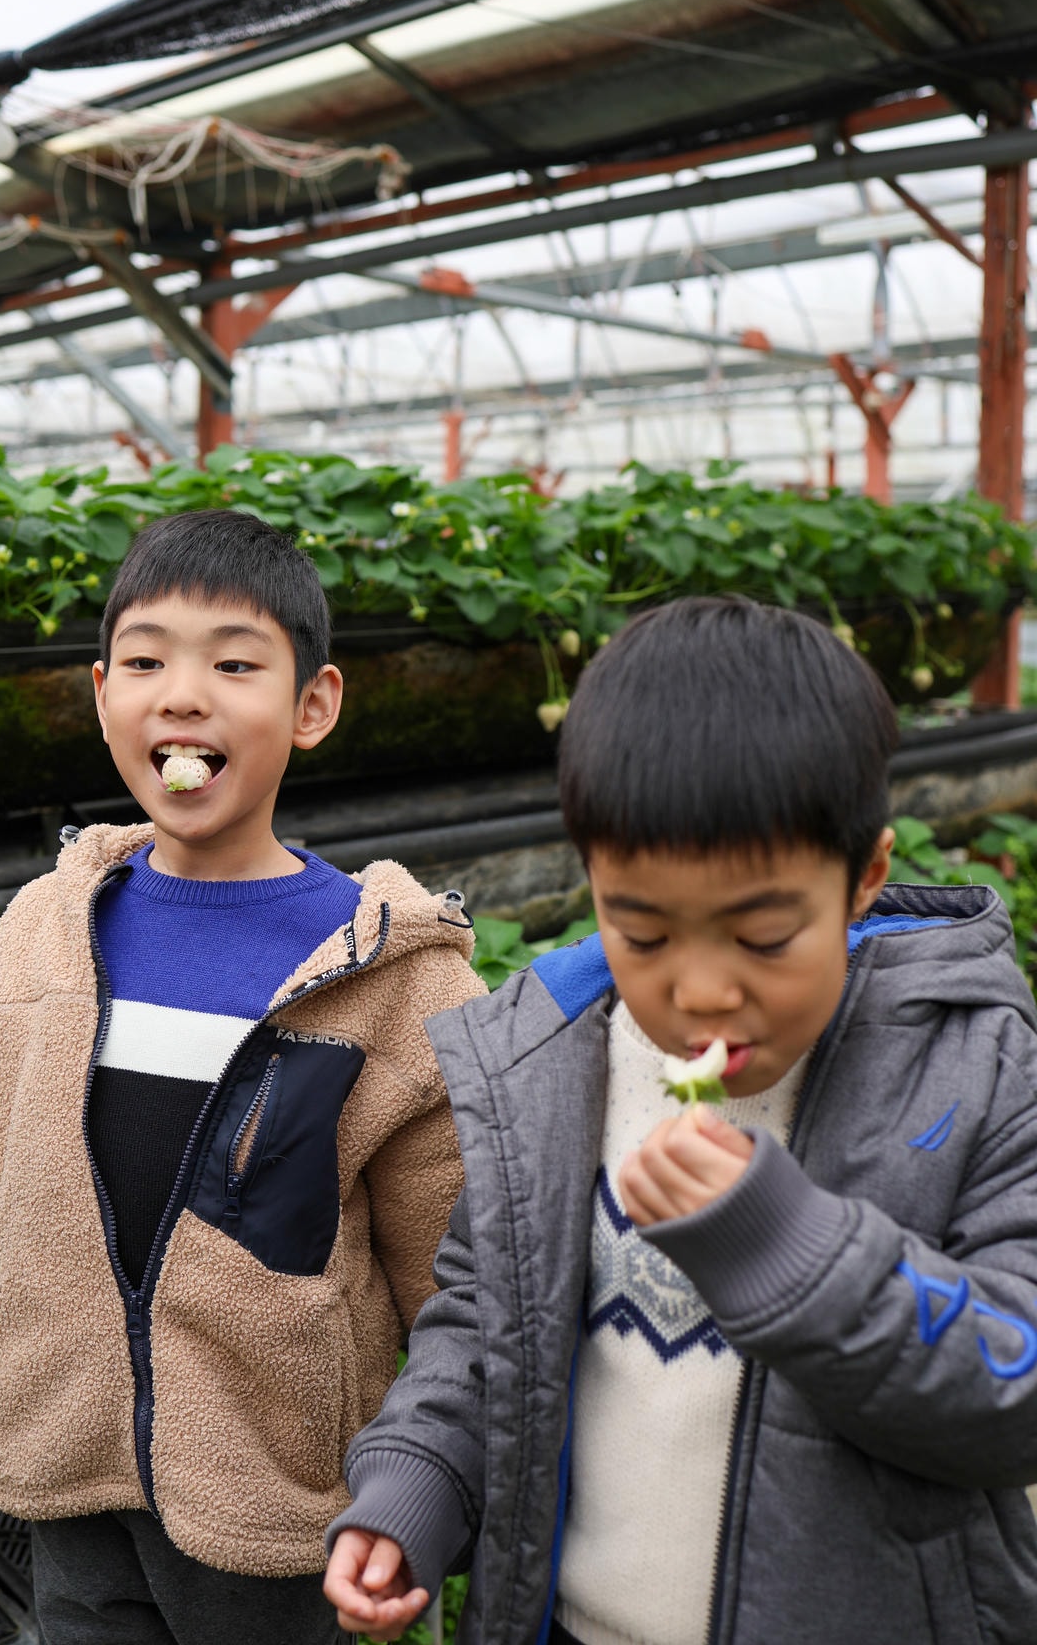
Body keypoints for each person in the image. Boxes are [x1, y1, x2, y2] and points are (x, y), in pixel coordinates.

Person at [324, 595, 1037, 1645]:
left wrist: (788, 1246)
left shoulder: (965, 1068)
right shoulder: (554, 1065)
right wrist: (419, 1488)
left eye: (762, 937)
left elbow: (1014, 1391)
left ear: (865, 878)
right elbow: (484, 1326)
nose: (701, 993)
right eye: (644, 933)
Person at [0, 507, 483, 1645]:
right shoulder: (45, 934)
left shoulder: (390, 978)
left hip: (287, 1514)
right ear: (104, 692)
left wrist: (432, 1496)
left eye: (235, 664)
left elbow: (460, 1277)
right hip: (63, 1480)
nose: (183, 694)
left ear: (313, 707)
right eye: (147, 661)